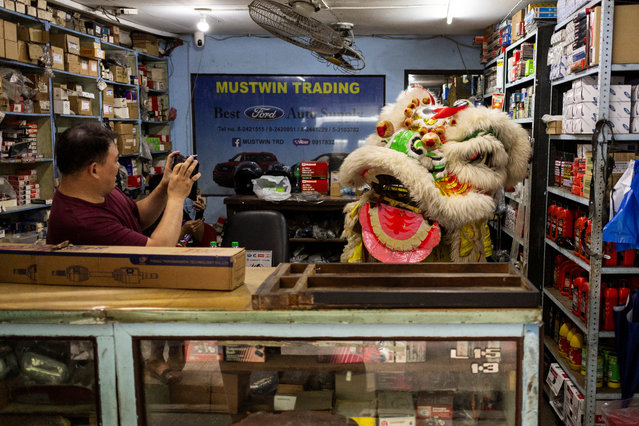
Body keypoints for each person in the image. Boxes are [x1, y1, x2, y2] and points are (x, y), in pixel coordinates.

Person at [46, 122, 200, 247]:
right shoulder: (83, 223)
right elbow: (158, 251)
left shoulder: (100, 190)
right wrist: (177, 198)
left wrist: (165, 186)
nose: (118, 166)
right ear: (94, 170)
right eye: (115, 161)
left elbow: (137, 216)